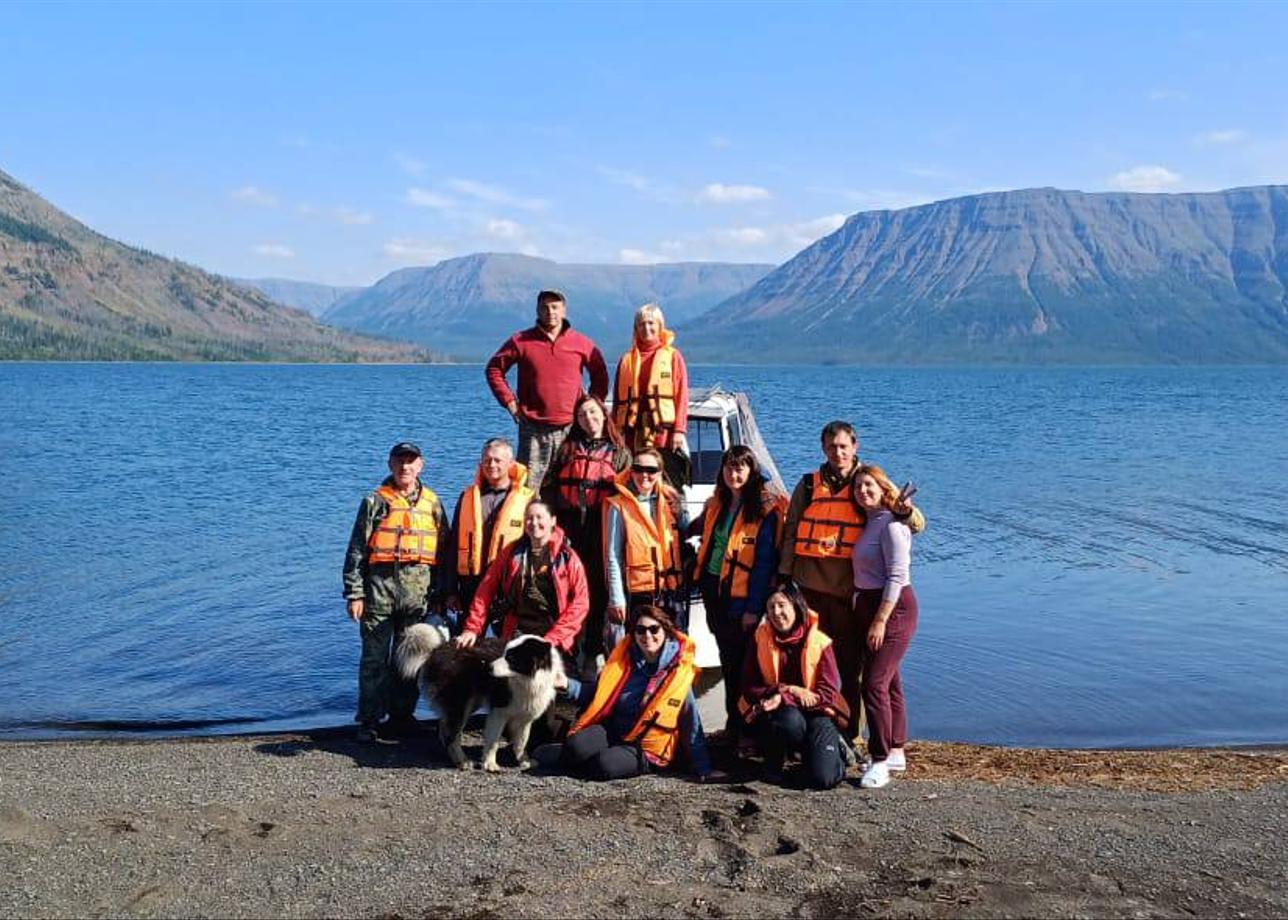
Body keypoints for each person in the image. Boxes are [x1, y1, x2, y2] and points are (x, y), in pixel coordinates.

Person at [778, 421, 924, 751]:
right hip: (811, 591)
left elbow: (913, 523)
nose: (838, 453)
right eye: (831, 447)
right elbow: (791, 531)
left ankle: (854, 736)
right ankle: (821, 729)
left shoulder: (868, 483)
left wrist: (907, 512)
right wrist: (784, 578)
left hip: (850, 594)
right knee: (813, 661)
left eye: (843, 446)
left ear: (855, 446)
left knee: (853, 667)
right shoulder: (808, 485)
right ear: (823, 449)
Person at [342, 442, 450, 742]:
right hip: (378, 593)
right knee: (374, 660)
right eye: (399, 461)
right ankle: (368, 719)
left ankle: (402, 716)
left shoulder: (433, 503)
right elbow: (357, 551)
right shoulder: (374, 501)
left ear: (421, 466)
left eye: (411, 461)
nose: (405, 467)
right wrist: (354, 593)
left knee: (410, 659)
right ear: (390, 464)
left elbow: (445, 553)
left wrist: (443, 595)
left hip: (418, 597)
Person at [549, 605, 713, 781]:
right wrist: (566, 684)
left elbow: (691, 723)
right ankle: (569, 754)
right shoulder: (624, 663)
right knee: (576, 746)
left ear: (665, 631)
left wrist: (703, 768)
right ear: (634, 635)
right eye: (640, 630)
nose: (647, 636)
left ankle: (566, 758)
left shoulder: (678, 675)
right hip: (614, 731)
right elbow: (594, 695)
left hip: (644, 747)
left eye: (654, 629)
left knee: (604, 765)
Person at [690, 445, 786, 739]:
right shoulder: (717, 503)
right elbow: (695, 530)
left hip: (741, 598)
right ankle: (735, 726)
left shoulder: (763, 509)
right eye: (730, 467)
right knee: (727, 659)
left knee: (742, 667)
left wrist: (753, 609)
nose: (735, 473)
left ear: (752, 471)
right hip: (714, 592)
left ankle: (746, 730)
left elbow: (763, 564)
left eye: (741, 467)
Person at [540, 394, 631, 674]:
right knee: (565, 588)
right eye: (582, 416)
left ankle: (593, 650)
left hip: (601, 526)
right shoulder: (567, 450)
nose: (588, 420)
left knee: (597, 590)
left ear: (604, 415)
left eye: (593, 413)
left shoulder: (619, 452)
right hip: (569, 527)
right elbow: (548, 488)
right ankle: (566, 649)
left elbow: (627, 495)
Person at [485, 289, 610, 487]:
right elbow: (494, 369)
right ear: (537, 310)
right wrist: (509, 402)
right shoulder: (521, 341)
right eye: (544, 307)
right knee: (528, 488)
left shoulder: (582, 343)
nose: (550, 312)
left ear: (564, 311)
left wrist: (591, 407)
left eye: (555, 307)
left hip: (572, 429)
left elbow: (600, 374)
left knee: (571, 484)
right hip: (533, 429)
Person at [739, 585, 850, 789]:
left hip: (817, 712)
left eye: (782, 605)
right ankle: (775, 762)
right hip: (781, 713)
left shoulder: (820, 642)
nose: (776, 613)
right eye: (771, 607)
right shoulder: (760, 637)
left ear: (797, 606)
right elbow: (749, 686)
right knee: (788, 720)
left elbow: (828, 694)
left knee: (823, 779)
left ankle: (832, 752)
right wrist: (787, 691)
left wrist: (786, 695)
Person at [851, 465, 919, 789]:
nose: (863, 492)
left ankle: (879, 762)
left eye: (869, 486)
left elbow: (896, 575)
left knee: (873, 684)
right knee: (890, 681)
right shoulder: (872, 521)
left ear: (882, 487)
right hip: (870, 606)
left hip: (893, 610)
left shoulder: (892, 525)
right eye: (858, 487)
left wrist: (880, 619)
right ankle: (895, 750)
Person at [456, 501, 589, 660]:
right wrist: (471, 629)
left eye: (540, 517)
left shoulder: (568, 557)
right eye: (529, 518)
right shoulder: (511, 553)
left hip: (554, 633)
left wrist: (551, 640)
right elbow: (486, 589)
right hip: (517, 630)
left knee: (557, 680)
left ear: (553, 521)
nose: (534, 523)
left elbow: (581, 603)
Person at [443, 438, 534, 627]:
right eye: (487, 460)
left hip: (507, 585)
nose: (491, 465)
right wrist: (451, 590)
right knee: (467, 644)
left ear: (510, 464)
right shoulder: (468, 497)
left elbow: (535, 547)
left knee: (507, 646)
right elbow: (453, 545)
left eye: (497, 460)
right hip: (471, 584)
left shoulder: (527, 499)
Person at [603, 447, 688, 649]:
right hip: (640, 592)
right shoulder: (619, 506)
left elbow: (684, 533)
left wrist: (681, 513)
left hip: (671, 590)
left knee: (676, 646)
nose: (644, 476)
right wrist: (616, 598)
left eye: (651, 470)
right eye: (639, 469)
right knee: (642, 647)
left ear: (659, 473)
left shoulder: (671, 499)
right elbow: (612, 556)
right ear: (631, 471)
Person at [611, 303, 691, 487]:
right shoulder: (626, 360)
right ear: (635, 329)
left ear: (660, 326)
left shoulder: (673, 357)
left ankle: (673, 515)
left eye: (651, 323)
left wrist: (679, 430)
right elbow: (617, 400)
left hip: (663, 435)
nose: (646, 328)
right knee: (633, 484)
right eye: (641, 324)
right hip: (632, 434)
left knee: (668, 485)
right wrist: (616, 433)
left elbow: (681, 396)